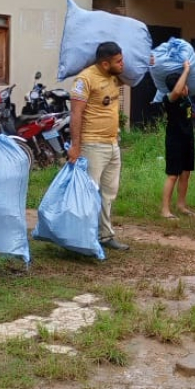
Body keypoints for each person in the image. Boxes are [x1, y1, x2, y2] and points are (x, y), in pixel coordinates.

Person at [68, 41, 130, 251]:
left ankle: (105, 235)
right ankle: (82, 238)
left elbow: (134, 76)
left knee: (109, 193)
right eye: (119, 61)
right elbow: (75, 113)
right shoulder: (85, 79)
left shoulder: (113, 76)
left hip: (112, 143)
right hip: (92, 145)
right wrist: (76, 146)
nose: (123, 64)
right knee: (90, 193)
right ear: (105, 64)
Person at [160, 61, 195, 220]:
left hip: (188, 140)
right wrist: (186, 70)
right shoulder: (169, 99)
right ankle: (165, 210)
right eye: (183, 86)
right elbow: (175, 91)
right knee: (173, 175)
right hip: (174, 141)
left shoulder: (186, 97)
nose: (185, 88)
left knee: (186, 173)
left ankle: (181, 205)